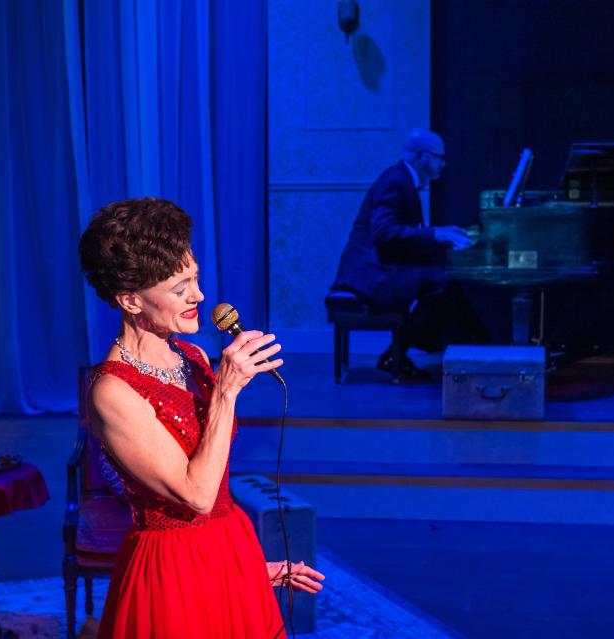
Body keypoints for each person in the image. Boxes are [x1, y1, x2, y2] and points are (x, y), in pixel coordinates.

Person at [79, 197, 324, 638]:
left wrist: (247, 569)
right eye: (179, 288)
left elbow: (212, 494)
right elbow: (195, 496)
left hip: (229, 550)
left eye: (195, 279)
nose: (200, 296)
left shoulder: (191, 357)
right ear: (131, 300)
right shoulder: (111, 391)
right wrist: (227, 390)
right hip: (170, 575)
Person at [331, 129, 485, 379]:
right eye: (439, 158)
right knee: (443, 284)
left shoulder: (403, 180)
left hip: (382, 268)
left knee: (443, 283)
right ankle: (472, 351)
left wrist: (438, 236)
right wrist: (435, 235)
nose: (443, 164)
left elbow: (403, 234)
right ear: (423, 156)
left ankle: (406, 353)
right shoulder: (395, 181)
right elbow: (383, 232)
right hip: (371, 275)